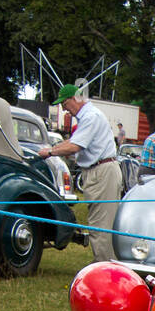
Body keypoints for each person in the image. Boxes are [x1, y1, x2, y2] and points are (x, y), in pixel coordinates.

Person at [37, 85, 120, 261]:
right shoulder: (87, 118)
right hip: (98, 171)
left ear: (75, 99)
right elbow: (74, 142)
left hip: (101, 172)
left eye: (65, 104)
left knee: (101, 226)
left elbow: (75, 146)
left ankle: (104, 267)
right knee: (98, 223)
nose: (65, 109)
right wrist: (53, 148)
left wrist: (50, 152)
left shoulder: (90, 117)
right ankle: (104, 263)